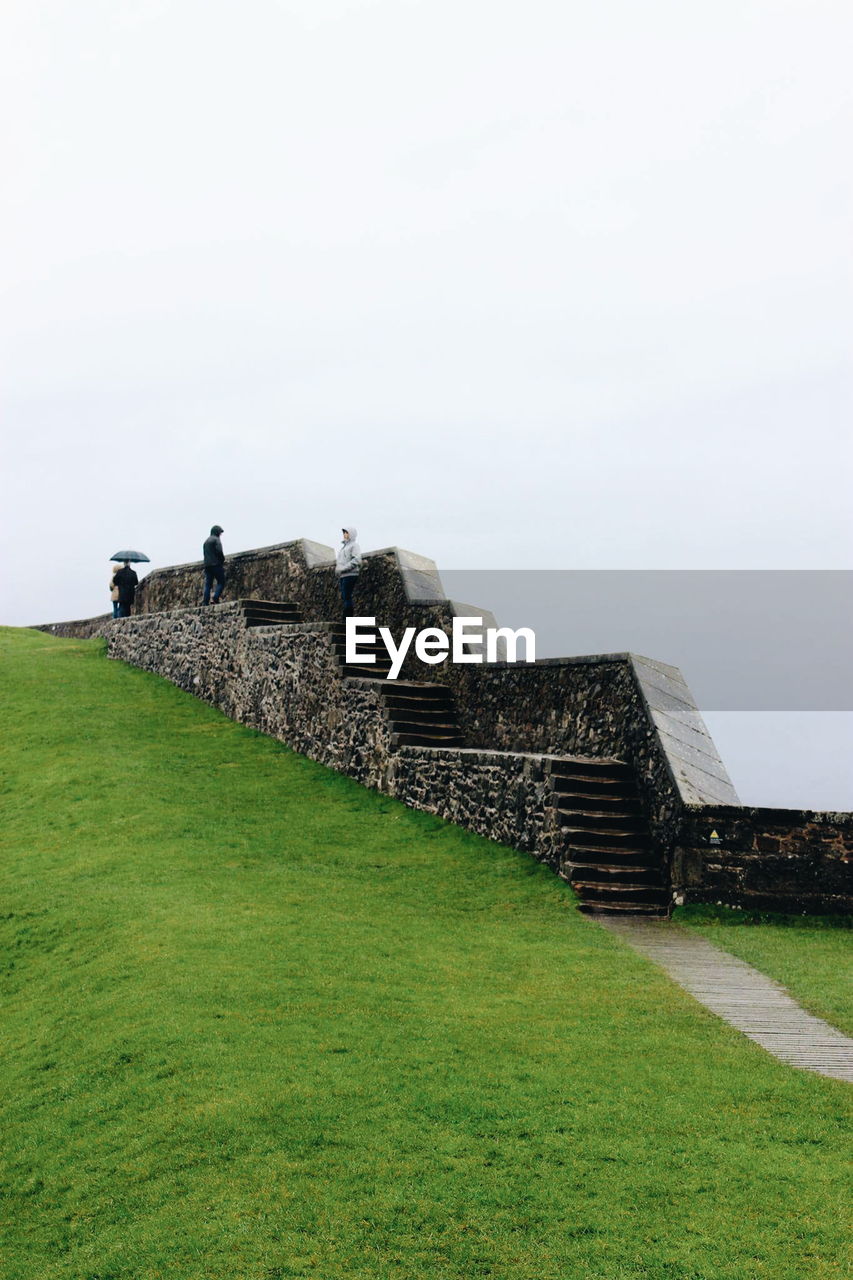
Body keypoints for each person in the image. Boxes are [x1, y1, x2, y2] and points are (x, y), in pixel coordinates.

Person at [335, 526, 362, 617]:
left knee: (347, 595)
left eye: (346, 533)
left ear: (351, 534)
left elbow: (357, 560)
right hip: (343, 575)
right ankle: (346, 617)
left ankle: (347, 618)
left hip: (350, 574)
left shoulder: (354, 545)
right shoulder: (344, 547)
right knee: (345, 596)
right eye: (344, 533)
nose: (344, 535)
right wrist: (338, 569)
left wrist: (343, 568)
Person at [202, 524, 226, 604]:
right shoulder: (216, 540)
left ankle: (205, 601)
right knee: (221, 581)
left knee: (208, 584)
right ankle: (215, 597)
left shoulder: (206, 541)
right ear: (217, 532)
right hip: (216, 564)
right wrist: (222, 559)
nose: (220, 534)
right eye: (220, 532)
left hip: (207, 565)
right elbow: (219, 551)